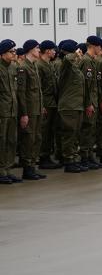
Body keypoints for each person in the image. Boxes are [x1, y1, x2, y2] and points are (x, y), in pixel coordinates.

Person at [17, 39, 46, 180]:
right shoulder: (23, 68)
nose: (39, 50)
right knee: (28, 139)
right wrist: (24, 113)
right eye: (37, 48)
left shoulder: (33, 66)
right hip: (29, 110)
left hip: (36, 109)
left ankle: (32, 166)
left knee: (36, 138)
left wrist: (41, 107)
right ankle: (27, 168)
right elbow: (21, 93)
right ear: (30, 50)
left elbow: (37, 91)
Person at [57, 40, 86, 173]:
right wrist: (75, 53)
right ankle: (68, 160)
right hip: (68, 106)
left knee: (75, 134)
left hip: (77, 105)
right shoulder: (65, 65)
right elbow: (68, 59)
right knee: (69, 134)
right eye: (75, 50)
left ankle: (74, 158)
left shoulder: (74, 67)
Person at [79, 36, 102, 169]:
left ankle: (89, 155)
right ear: (93, 46)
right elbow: (85, 86)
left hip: (93, 101)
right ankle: (84, 157)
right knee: (86, 130)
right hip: (88, 102)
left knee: (91, 130)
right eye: (99, 46)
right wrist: (88, 103)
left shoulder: (92, 61)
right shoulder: (86, 61)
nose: (100, 49)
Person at [37, 40, 61, 169]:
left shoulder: (49, 64)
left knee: (50, 131)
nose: (54, 52)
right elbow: (39, 87)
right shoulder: (39, 65)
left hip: (52, 102)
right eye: (52, 50)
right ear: (47, 51)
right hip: (46, 102)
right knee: (44, 131)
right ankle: (43, 157)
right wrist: (41, 105)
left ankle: (47, 156)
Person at [0, 40, 19, 184]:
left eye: (14, 51)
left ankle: (7, 169)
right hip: (2, 111)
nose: (14, 54)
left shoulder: (13, 67)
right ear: (2, 54)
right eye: (11, 51)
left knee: (11, 141)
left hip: (12, 110)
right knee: (2, 141)